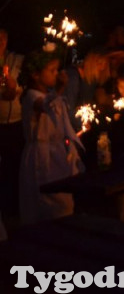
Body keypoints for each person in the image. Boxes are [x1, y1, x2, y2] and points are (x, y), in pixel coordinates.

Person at [19, 48, 85, 224]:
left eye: (57, 70)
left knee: (64, 203)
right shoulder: (32, 96)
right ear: (35, 74)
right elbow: (45, 106)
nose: (56, 74)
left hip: (57, 155)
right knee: (47, 204)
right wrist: (59, 89)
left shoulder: (50, 95)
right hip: (41, 157)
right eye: (51, 70)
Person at [0, 29, 25, 220]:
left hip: (15, 121)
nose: (0, 41)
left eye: (3, 38)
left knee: (13, 165)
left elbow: (24, 84)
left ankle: (13, 208)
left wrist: (15, 87)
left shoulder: (16, 60)